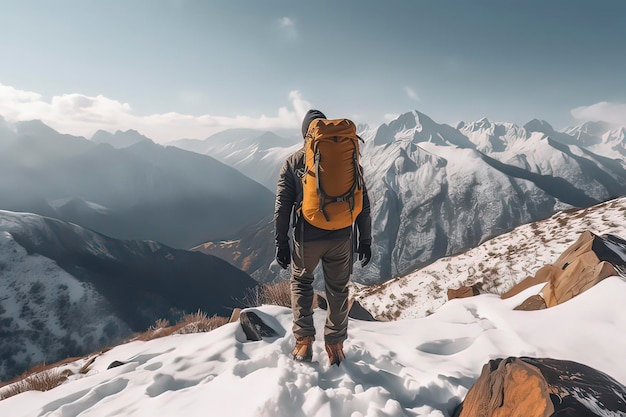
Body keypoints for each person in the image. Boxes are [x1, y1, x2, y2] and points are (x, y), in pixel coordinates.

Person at [274, 109, 372, 366]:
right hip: (342, 237)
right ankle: (336, 346)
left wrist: (281, 242)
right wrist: (365, 240)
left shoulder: (294, 162)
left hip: (308, 236)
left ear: (306, 133)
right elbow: (363, 203)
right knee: (338, 290)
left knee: (302, 283)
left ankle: (304, 343)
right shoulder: (349, 160)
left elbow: (282, 206)